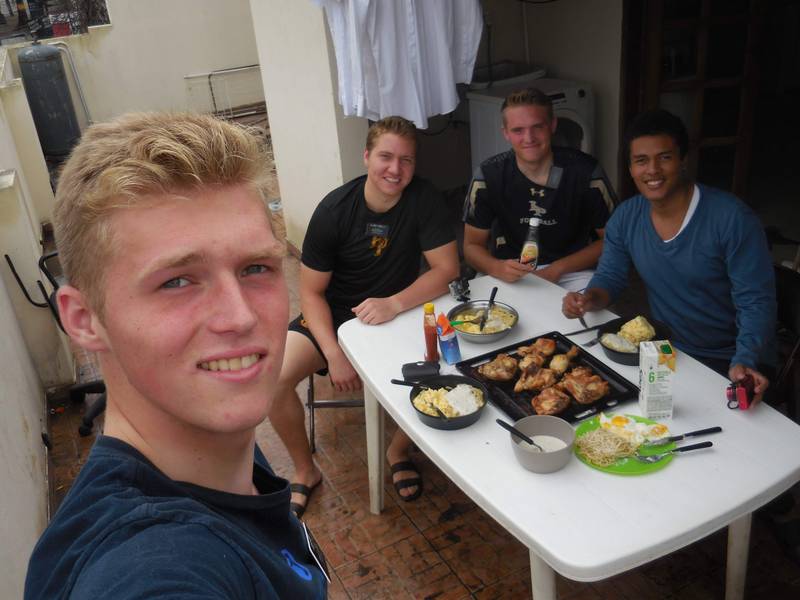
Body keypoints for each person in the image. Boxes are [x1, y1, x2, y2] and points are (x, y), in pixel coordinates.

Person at [25, 113, 328, 598]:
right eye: (177, 281)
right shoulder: (146, 567)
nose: (240, 316)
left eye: (256, 267)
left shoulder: (216, 443)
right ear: (83, 319)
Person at [270, 116, 459, 517]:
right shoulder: (335, 209)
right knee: (272, 380)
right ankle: (305, 470)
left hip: (396, 312)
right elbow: (311, 292)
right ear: (367, 156)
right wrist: (334, 352)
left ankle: (397, 450)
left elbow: (447, 271)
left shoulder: (424, 199)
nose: (395, 169)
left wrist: (394, 303)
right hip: (335, 315)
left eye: (406, 160)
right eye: (386, 157)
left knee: (444, 363)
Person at [562, 108, 776, 403]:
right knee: (603, 401)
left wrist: (746, 358)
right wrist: (588, 299)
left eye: (664, 157)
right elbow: (610, 276)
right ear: (630, 167)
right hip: (665, 348)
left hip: (729, 357)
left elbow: (756, 300)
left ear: (683, 160)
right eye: (641, 160)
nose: (652, 170)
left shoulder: (732, 219)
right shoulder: (626, 217)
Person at [463, 87, 617, 291]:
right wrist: (496, 267)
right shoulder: (488, 175)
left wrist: (557, 269)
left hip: (572, 271)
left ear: (552, 125)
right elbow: (471, 246)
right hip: (509, 268)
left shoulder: (586, 172)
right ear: (506, 133)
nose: (529, 138)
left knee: (590, 309)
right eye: (518, 130)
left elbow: (613, 240)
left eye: (537, 127)